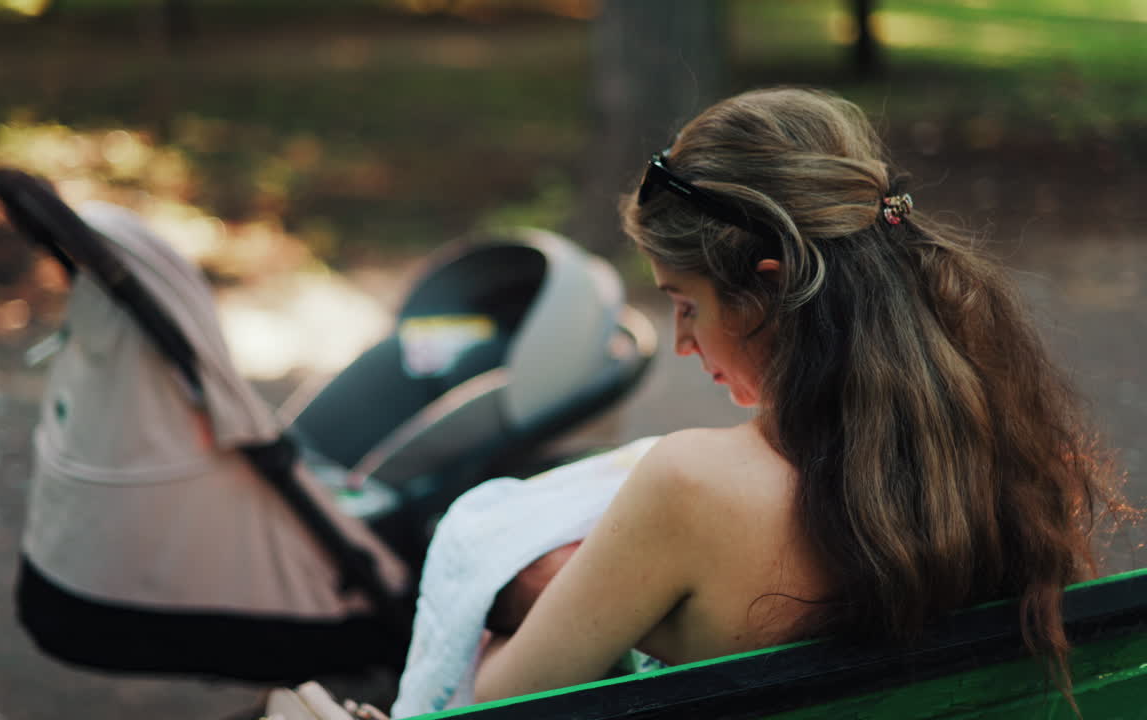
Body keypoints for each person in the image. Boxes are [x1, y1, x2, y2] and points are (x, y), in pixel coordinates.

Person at [472, 87, 1122, 703]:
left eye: (685, 305)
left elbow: (496, 702)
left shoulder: (691, 486)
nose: (681, 344)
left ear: (769, 293)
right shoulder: (1003, 445)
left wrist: (525, 600)